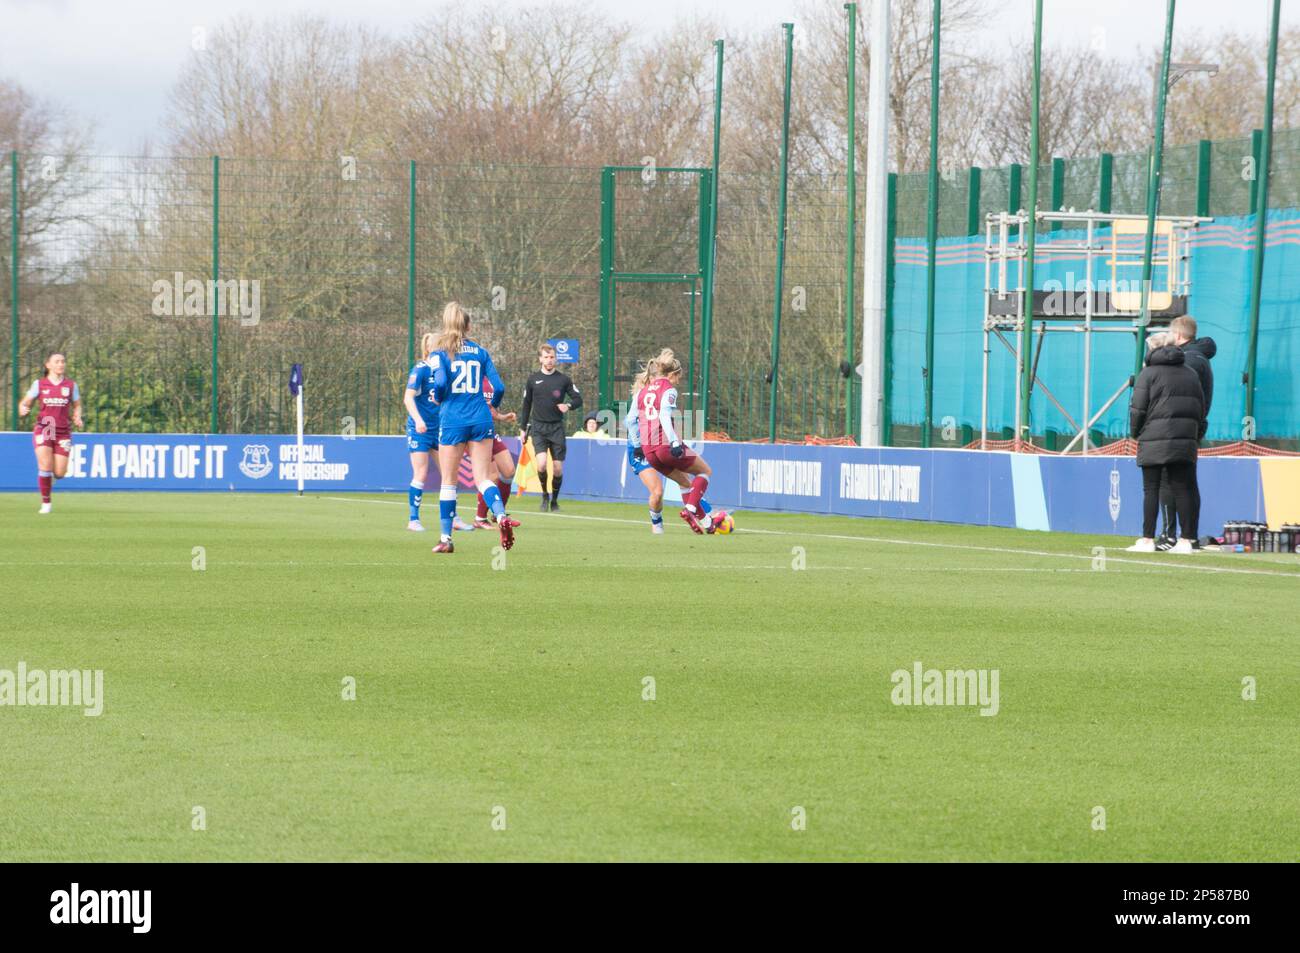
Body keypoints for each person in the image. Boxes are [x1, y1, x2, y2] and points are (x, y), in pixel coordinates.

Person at [429, 302, 520, 554]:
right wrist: (493, 406)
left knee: (449, 481)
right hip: (481, 418)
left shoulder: (439, 352)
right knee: (482, 478)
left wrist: (438, 396)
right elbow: (498, 387)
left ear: (446, 323)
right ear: (468, 325)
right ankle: (500, 515)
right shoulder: (480, 351)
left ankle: (446, 539)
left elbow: (440, 382)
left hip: (453, 420)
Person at [1127, 332, 1205, 555]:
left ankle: (1147, 539)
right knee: (1183, 489)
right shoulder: (1190, 373)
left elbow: (1138, 408)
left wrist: (1136, 433)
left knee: (1151, 489)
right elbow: (1200, 408)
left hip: (1153, 438)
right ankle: (1187, 540)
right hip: (1185, 439)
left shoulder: (1148, 373)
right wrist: (1195, 435)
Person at [625, 361, 725, 535]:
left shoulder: (643, 393)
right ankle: (684, 512)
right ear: (671, 374)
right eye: (678, 375)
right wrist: (674, 442)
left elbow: (630, 420)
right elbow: (663, 415)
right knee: (704, 472)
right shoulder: (665, 390)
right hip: (661, 445)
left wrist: (638, 444)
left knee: (685, 483)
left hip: (647, 449)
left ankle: (707, 522)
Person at [1156, 316, 1216, 549]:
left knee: (1170, 480)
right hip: (1192, 427)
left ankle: (1170, 536)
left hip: (1177, 428)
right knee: (1187, 482)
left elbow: (1176, 394)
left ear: (1178, 335)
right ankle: (1188, 536)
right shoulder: (1199, 357)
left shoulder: (1188, 360)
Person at [402, 333, 471, 533]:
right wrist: (419, 420)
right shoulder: (421, 370)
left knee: (449, 474)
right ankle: (413, 519)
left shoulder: (446, 370)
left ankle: (454, 517)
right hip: (420, 430)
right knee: (421, 472)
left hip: (441, 429)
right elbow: (408, 398)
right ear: (431, 348)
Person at [519, 343, 582, 511]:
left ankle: (554, 501)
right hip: (539, 428)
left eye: (552, 357)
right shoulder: (533, 379)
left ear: (556, 358)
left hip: (556, 428)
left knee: (558, 468)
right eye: (546, 357)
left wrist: (568, 406)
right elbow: (526, 405)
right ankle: (545, 496)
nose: (549, 360)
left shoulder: (564, 380)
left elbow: (578, 399)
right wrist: (522, 428)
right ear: (540, 359)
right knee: (540, 464)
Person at [18, 352, 83, 514]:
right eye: (57, 361)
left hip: (63, 432)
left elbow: (77, 405)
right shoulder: (39, 384)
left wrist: (77, 416)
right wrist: (23, 408)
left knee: (60, 473)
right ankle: (46, 503)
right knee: (45, 465)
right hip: (45, 428)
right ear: (48, 365)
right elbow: (25, 403)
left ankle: (46, 480)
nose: (61, 364)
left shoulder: (70, 385)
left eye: (63, 361)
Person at [473, 377, 518, 531]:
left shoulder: (490, 382)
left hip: (489, 431)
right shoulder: (468, 377)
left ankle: (499, 513)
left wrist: (503, 417)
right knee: (491, 476)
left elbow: (490, 410)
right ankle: (480, 518)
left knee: (509, 471)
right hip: (474, 433)